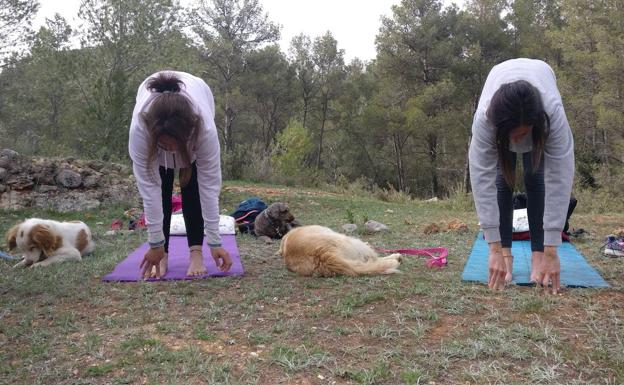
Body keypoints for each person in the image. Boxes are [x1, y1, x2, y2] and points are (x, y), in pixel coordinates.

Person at [468, 58, 574, 294]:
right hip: (500, 98)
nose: (517, 141)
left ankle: (538, 255)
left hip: (540, 86)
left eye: (523, 134)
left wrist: (551, 250)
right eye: (511, 136)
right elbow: (481, 179)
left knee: (535, 176)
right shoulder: (486, 119)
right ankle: (506, 253)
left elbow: (559, 177)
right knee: (501, 179)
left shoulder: (552, 113)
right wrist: (494, 248)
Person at [129, 70, 232, 279]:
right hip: (152, 135)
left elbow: (209, 187)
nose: (171, 150)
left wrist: (215, 241)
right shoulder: (140, 130)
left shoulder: (204, 130)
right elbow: (150, 191)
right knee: (162, 186)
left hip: (198, 100)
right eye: (165, 145)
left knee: (192, 186)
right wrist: (155, 243)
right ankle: (163, 253)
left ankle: (196, 253)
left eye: (175, 145)